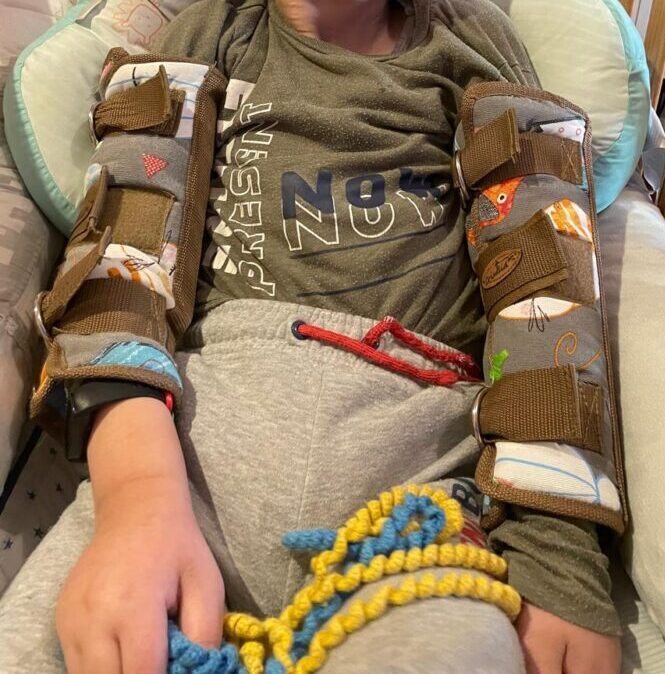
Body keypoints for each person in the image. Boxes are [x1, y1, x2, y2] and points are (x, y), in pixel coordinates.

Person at [0, 0, 624, 672]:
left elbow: (547, 288)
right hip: (178, 480)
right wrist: (136, 497)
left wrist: (558, 551)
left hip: (416, 514)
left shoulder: (473, 40)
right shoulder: (210, 34)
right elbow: (120, 273)